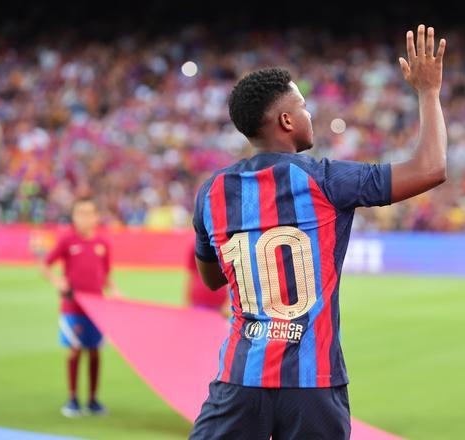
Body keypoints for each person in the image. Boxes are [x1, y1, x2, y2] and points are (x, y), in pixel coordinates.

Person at [190, 25, 447, 439]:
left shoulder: (212, 192)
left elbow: (212, 278)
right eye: (304, 107)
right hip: (312, 384)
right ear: (287, 120)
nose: (311, 115)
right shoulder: (327, 181)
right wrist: (429, 91)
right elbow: (431, 169)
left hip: (238, 381)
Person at [41, 196, 121, 417]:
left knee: (95, 352)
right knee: (75, 351)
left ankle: (93, 399)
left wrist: (114, 291)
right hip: (73, 307)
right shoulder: (67, 241)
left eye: (88, 213)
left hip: (97, 308)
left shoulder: (102, 244)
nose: (83, 217)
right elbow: (45, 266)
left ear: (96, 216)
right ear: (74, 216)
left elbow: (106, 274)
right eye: (79, 213)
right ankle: (73, 398)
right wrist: (59, 282)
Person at [185, 244, 229, 315]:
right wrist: (187, 302)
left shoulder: (222, 245)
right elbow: (190, 275)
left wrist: (229, 302)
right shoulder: (195, 246)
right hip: (199, 301)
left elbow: (230, 274)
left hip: (220, 304)